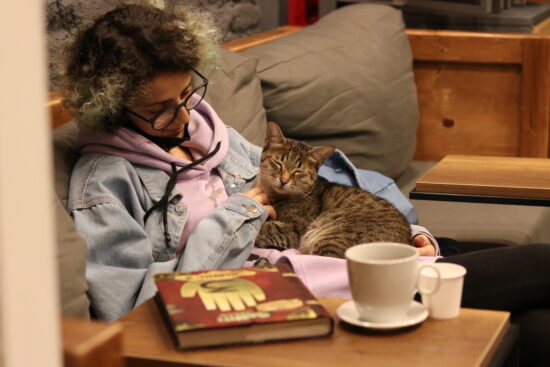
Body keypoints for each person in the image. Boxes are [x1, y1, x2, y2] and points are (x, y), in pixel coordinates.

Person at [62, 4, 550, 366]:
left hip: (336, 256)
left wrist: (409, 232)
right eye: (162, 109)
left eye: (189, 92)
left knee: (534, 330)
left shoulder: (210, 131)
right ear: (109, 105)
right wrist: (237, 215)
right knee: (538, 266)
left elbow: (318, 185)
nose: (186, 116)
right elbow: (125, 308)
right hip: (286, 291)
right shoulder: (105, 182)